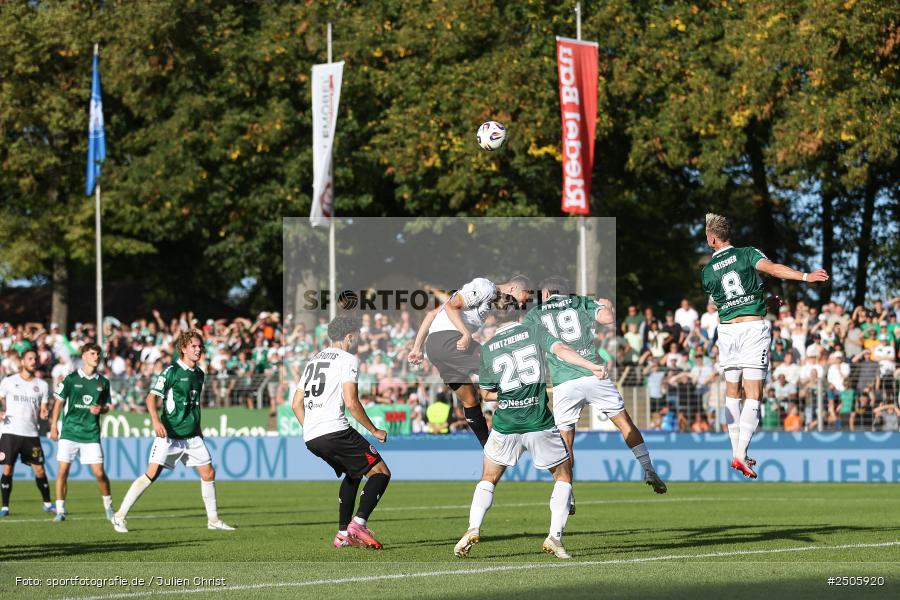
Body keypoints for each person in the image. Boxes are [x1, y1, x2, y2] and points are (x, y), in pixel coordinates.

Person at [454, 296, 608, 560]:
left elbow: (487, 394)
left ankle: (473, 527)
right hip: (538, 421)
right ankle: (554, 538)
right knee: (563, 476)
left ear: (492, 316)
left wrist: (509, 397)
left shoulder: (489, 348)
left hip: (505, 424)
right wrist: (591, 365)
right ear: (520, 311)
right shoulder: (533, 330)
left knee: (488, 478)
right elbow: (560, 350)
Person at [524, 276, 667, 514]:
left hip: (563, 382)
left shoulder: (536, 313)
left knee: (565, 441)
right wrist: (607, 304)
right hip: (594, 375)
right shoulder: (580, 302)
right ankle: (648, 468)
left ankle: (567, 491)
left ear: (546, 294)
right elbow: (608, 318)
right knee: (624, 423)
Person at [701, 213, 828, 478]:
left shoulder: (707, 271)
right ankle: (740, 454)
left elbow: (727, 300)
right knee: (754, 393)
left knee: (732, 392)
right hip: (751, 329)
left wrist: (763, 302)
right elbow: (771, 269)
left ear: (712, 239)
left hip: (726, 330)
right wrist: (805, 276)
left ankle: (737, 452)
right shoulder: (747, 253)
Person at [111, 330, 233, 533]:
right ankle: (119, 516)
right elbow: (151, 398)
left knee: (209, 472)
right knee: (151, 474)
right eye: (193, 346)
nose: (198, 349)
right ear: (183, 349)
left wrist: (198, 428)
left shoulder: (200, 374)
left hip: (192, 435)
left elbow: (194, 405)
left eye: (200, 346)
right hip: (169, 434)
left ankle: (213, 520)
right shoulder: (171, 371)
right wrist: (155, 422)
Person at [292, 315, 390, 549]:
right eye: (357, 336)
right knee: (381, 472)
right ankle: (358, 523)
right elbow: (352, 402)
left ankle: (343, 533)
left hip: (311, 436)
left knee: (354, 473)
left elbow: (296, 404)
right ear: (349, 336)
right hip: (334, 430)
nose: (358, 340)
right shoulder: (348, 359)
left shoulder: (313, 360)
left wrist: (311, 428)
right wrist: (374, 430)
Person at [408, 275, 531, 447]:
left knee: (470, 399)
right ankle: (520, 425)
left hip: (436, 347)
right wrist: (465, 333)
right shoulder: (485, 288)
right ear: (513, 289)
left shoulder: (491, 301)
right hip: (450, 340)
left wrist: (417, 348)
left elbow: (431, 314)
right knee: (505, 372)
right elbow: (452, 306)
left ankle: (487, 446)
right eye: (521, 300)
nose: (520, 305)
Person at [49, 343, 114, 521]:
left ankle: (108, 507)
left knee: (99, 473)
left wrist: (101, 409)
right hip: (69, 431)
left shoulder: (103, 382)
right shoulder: (70, 379)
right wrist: (54, 426)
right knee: (62, 471)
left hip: (91, 433)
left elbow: (107, 407)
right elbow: (58, 402)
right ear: (84, 356)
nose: (96, 357)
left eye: (98, 354)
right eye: (92, 353)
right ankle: (60, 510)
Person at [0, 349, 53, 517]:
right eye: (30, 358)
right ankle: (5, 507)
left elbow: (43, 408)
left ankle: (47, 504)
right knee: (8, 469)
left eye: (35, 358)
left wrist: (45, 413)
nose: (33, 361)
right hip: (10, 431)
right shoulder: (8, 381)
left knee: (40, 470)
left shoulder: (42, 385)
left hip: (31, 433)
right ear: (22, 362)